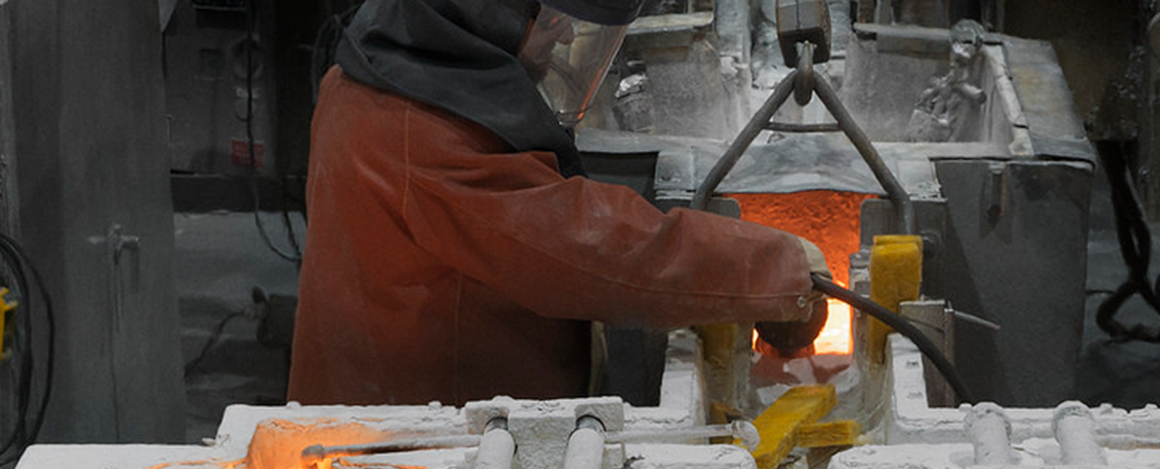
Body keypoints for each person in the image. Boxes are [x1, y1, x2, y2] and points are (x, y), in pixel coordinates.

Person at [295, 0, 827, 405]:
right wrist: (774, 269)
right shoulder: (413, 132)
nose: (569, 32)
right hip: (419, 446)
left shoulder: (383, 71)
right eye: (553, 18)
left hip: (432, 405)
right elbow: (592, 249)